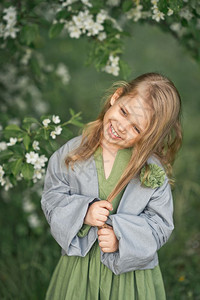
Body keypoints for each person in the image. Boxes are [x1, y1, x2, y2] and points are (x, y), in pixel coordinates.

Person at [41, 72, 182, 300]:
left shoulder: (151, 172)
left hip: (128, 277)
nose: (122, 127)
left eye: (136, 128)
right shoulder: (72, 153)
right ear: (116, 97)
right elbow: (52, 198)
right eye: (124, 112)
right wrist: (83, 212)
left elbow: (160, 225)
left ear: (149, 136)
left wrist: (122, 236)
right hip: (80, 269)